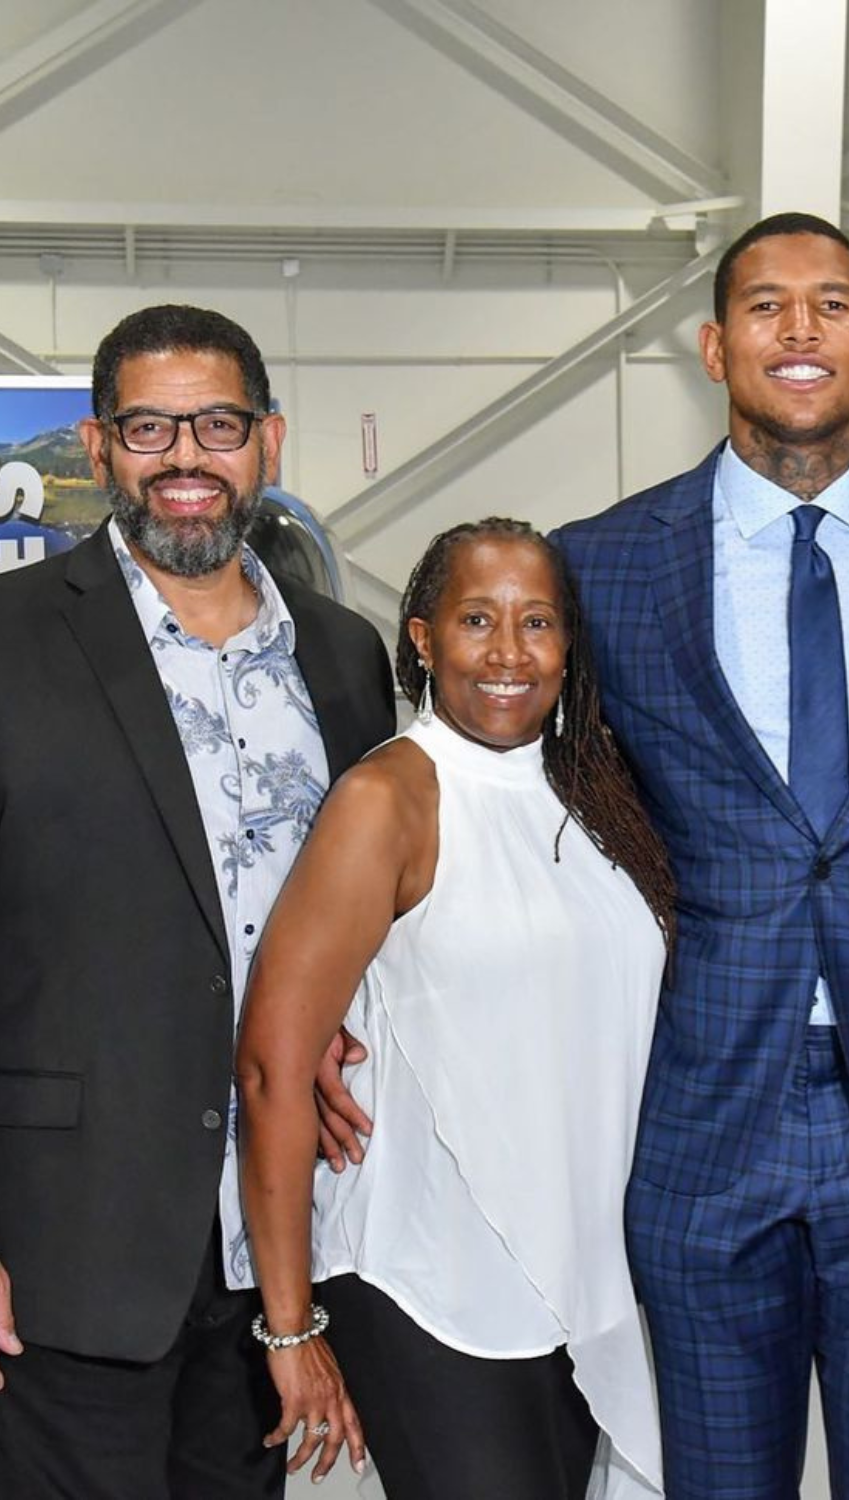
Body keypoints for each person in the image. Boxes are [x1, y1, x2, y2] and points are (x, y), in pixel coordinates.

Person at [551, 213, 849, 1500]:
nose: (799, 328)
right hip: (698, 1107)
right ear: (712, 346)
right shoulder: (603, 566)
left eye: (830, 305)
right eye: (764, 306)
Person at [0, 304, 395, 1499]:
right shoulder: (12, 638)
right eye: (149, 428)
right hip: (71, 1242)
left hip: (283, 1241)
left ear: (268, 441)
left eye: (216, 425)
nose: (185, 458)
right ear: (99, 445)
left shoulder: (342, 654)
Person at [235, 518, 674, 1499]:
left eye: (538, 622)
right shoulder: (388, 800)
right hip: (428, 1274)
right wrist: (291, 1322)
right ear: (424, 637)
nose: (510, 653)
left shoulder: (591, 797)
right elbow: (272, 1063)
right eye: (478, 619)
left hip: (579, 1277)